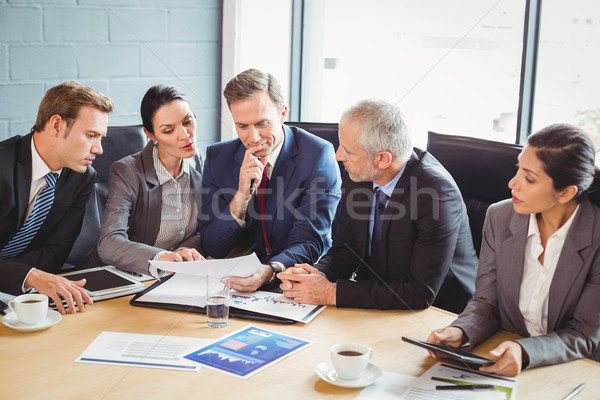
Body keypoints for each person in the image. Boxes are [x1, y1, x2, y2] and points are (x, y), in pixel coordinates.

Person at [427, 123, 600, 376]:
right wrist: (461, 331)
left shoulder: (595, 236)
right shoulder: (499, 216)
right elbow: (487, 302)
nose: (512, 183)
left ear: (566, 193)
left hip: (578, 369)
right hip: (506, 360)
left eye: (529, 178)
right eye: (518, 168)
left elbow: (584, 333)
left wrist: (525, 351)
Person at [278, 99, 478, 313]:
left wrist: (330, 293)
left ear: (383, 159)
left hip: (441, 313)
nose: (338, 156)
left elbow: (419, 293)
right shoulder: (360, 172)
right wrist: (315, 277)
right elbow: (346, 250)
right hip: (374, 299)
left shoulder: (436, 193)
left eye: (348, 150)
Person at [198, 68, 341, 292]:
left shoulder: (317, 155)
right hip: (237, 284)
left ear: (283, 113)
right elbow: (212, 245)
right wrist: (241, 197)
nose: (253, 138)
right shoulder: (218, 158)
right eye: (242, 126)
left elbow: (310, 241)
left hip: (295, 278)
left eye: (262, 123)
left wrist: (269, 271)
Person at [0, 81, 114, 314]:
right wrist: (29, 276)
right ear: (56, 125)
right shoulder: (2, 165)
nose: (99, 149)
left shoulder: (81, 178)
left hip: (20, 294)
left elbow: (55, 252)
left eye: (101, 138)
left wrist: (29, 280)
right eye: (91, 135)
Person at [91, 84, 204, 277]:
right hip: (128, 276)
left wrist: (180, 254)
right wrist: (163, 258)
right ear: (151, 135)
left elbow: (201, 230)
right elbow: (109, 242)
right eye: (169, 130)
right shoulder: (127, 171)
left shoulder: (197, 161)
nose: (185, 135)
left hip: (175, 276)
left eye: (187, 121)